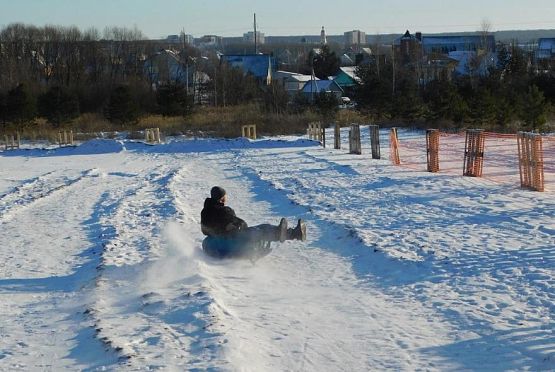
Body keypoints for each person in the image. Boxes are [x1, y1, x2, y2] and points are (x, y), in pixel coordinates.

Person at [201, 186, 306, 253]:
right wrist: (234, 226)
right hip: (232, 242)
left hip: (216, 244)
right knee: (261, 229)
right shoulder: (224, 210)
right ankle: (293, 234)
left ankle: (285, 233)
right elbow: (241, 224)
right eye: (225, 196)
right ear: (222, 198)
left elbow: (205, 229)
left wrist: (221, 229)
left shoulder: (205, 211)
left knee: (256, 232)